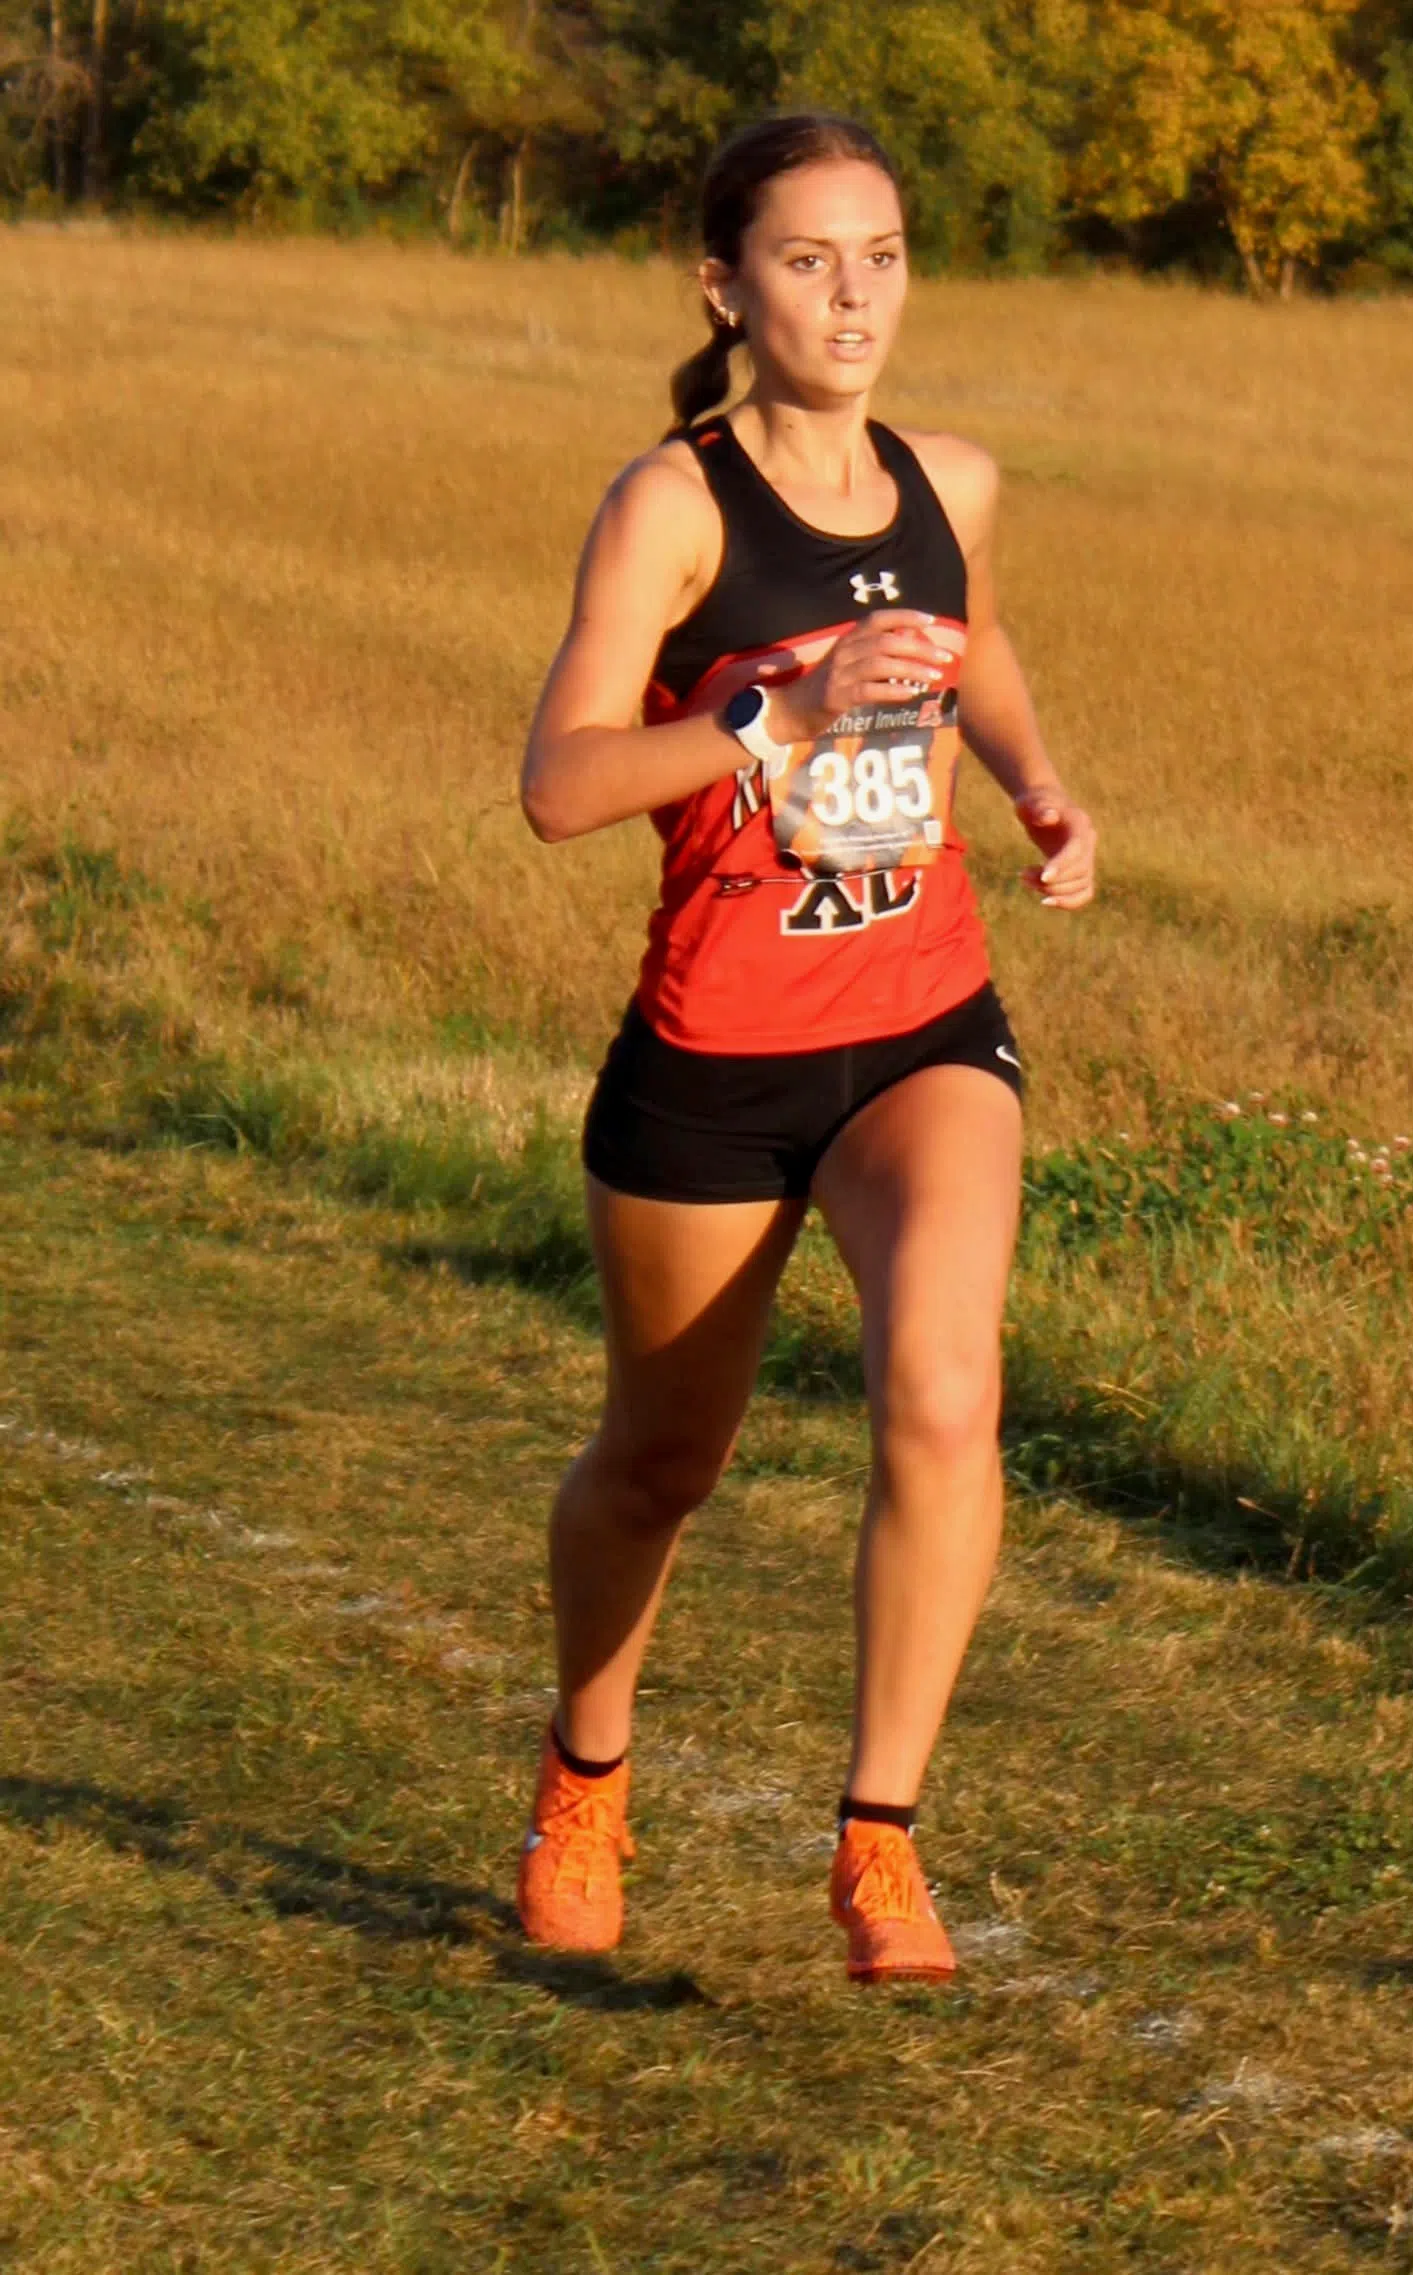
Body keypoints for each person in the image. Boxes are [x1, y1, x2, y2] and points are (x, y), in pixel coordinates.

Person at [516, 112, 1096, 1984]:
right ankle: (587, 1770)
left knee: (942, 1389)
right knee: (662, 1461)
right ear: (726, 284)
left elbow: (976, 643)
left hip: (922, 1016)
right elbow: (562, 784)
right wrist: (774, 713)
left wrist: (1033, 783)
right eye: (809, 260)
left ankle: (880, 1843)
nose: (856, 296)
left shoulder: (953, 478)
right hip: (715, 1053)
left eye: (886, 255)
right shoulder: (672, 506)